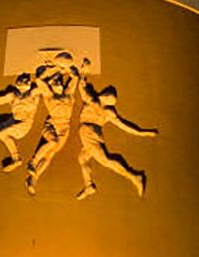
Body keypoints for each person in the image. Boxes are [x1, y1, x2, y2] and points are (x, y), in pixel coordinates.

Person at [74, 59, 157, 200]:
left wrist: (142, 132)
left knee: (105, 160)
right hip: (90, 132)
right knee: (82, 159)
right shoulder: (105, 110)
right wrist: (142, 133)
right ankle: (89, 185)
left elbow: (82, 86)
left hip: (88, 132)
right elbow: (124, 125)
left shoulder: (95, 102)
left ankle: (134, 176)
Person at [25, 52, 80, 195]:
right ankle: (32, 162)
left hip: (65, 128)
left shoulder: (68, 94)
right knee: (52, 142)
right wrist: (56, 68)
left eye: (59, 82)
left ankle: (33, 179)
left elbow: (75, 77)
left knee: (50, 155)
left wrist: (66, 68)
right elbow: (39, 81)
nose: (58, 83)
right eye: (55, 82)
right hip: (52, 125)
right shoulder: (49, 96)